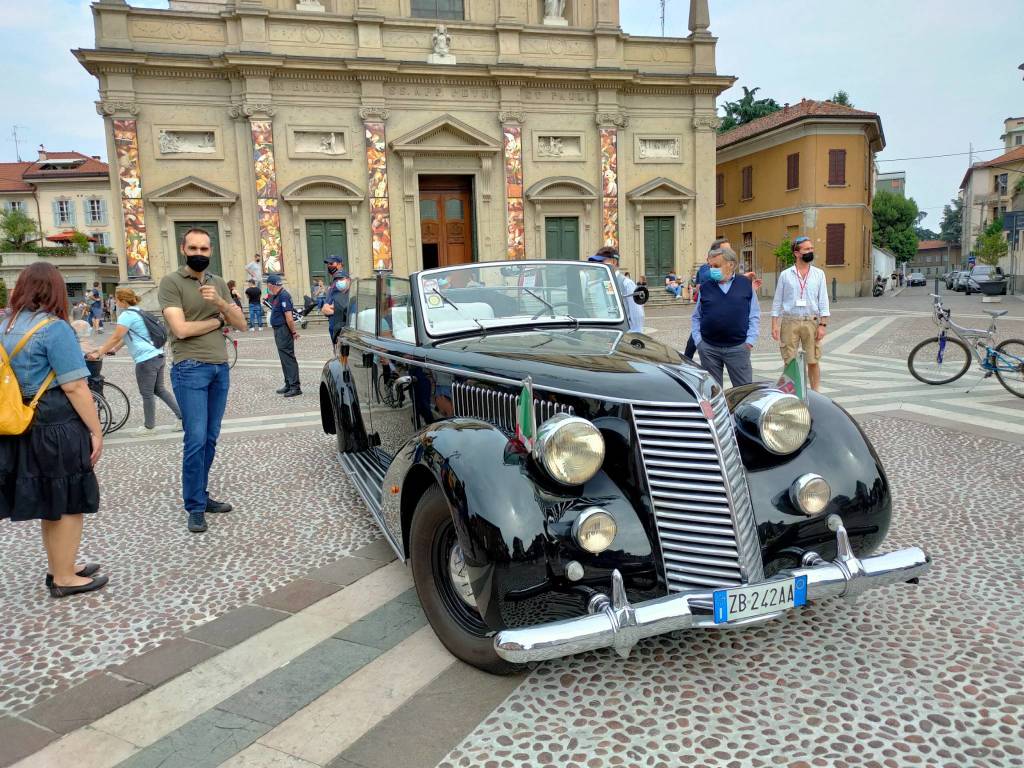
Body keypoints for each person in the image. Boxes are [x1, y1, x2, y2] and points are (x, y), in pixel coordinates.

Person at [0, 262, 107, 598]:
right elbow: (75, 386)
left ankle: (61, 565)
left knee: (51, 498)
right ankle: (63, 577)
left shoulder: (5, 323)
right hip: (55, 423)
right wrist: (95, 430)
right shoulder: (55, 328)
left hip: (21, 421)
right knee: (67, 501)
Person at [158, 227, 247, 533]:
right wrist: (217, 321)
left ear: (211, 252)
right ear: (184, 249)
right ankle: (194, 506)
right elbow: (180, 330)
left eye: (204, 249)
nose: (199, 254)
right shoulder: (171, 283)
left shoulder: (218, 282)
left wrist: (222, 304)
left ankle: (202, 495)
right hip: (189, 367)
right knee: (195, 439)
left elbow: (243, 324)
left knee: (210, 438)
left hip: (219, 369)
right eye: (193, 248)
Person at [87, 288, 183, 437]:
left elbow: (115, 336)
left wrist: (100, 352)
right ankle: (182, 418)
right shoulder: (139, 311)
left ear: (123, 301)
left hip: (146, 359)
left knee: (147, 394)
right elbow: (128, 336)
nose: (117, 302)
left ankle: (149, 427)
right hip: (158, 355)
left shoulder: (126, 315)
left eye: (118, 300)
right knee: (159, 390)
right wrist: (115, 349)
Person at [691, 247, 759, 387]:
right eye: (710, 266)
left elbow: (754, 314)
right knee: (713, 392)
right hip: (709, 348)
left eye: (716, 266)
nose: (712, 270)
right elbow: (696, 316)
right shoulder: (706, 287)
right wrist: (699, 341)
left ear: (730, 265)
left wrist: (749, 341)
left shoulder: (745, 284)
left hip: (738, 347)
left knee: (743, 391)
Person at [770, 235, 830, 392]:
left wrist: (823, 324)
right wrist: (774, 324)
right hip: (790, 321)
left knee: (813, 359)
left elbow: (823, 301)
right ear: (797, 253)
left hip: (811, 321)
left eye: (811, 248)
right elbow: (777, 301)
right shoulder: (785, 275)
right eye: (807, 249)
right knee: (789, 361)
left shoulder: (819, 274)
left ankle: (816, 392)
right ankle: (791, 393)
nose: (811, 251)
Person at [267, 274, 301, 397]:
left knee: (288, 358)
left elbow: (289, 318)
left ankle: (295, 387)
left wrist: (293, 332)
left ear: (270, 285)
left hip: (284, 330)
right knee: (283, 358)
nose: (268, 287)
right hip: (278, 329)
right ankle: (288, 383)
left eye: (268, 285)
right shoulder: (276, 296)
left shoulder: (284, 296)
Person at [320, 255, 351, 345]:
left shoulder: (341, 278)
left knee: (340, 351)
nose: (329, 266)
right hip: (334, 321)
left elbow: (344, 302)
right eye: (328, 264)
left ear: (339, 264)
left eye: (331, 263)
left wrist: (334, 309)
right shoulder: (335, 279)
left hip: (338, 322)